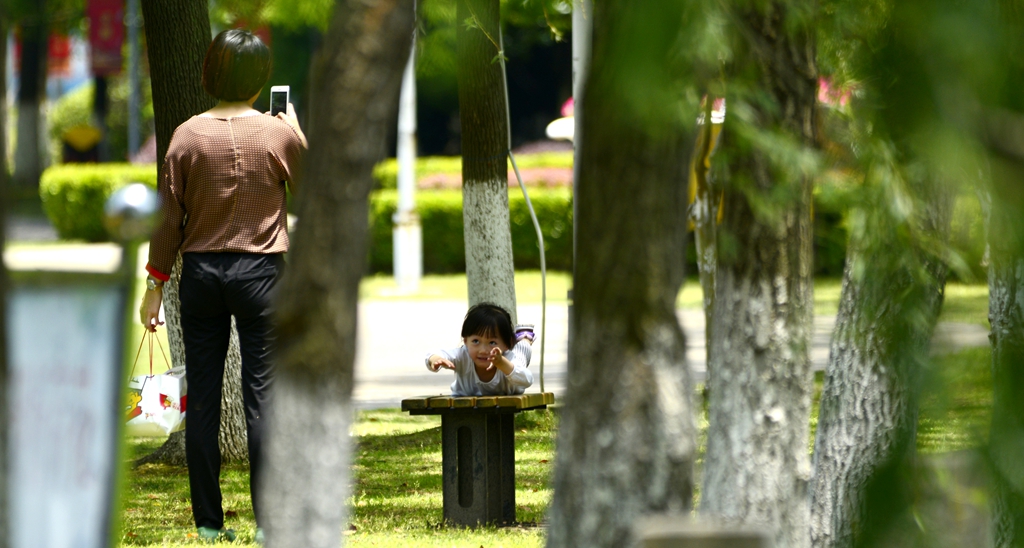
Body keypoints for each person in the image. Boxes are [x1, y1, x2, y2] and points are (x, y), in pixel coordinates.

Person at [138, 28, 306, 544]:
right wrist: (296, 132)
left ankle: (209, 525)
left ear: (209, 73)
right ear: (260, 79)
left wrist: (154, 285)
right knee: (263, 399)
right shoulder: (277, 133)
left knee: (204, 402)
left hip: (202, 276)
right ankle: (268, 522)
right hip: (262, 275)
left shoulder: (186, 136)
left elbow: (169, 220)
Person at [426, 303, 535, 396]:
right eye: (476, 341)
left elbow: (527, 380)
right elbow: (432, 354)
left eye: (492, 342)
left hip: (513, 364)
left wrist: (501, 363)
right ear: (465, 341)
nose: (483, 350)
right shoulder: (463, 355)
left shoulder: (509, 358)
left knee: (521, 351)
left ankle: (524, 336)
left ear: (507, 344)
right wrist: (436, 359)